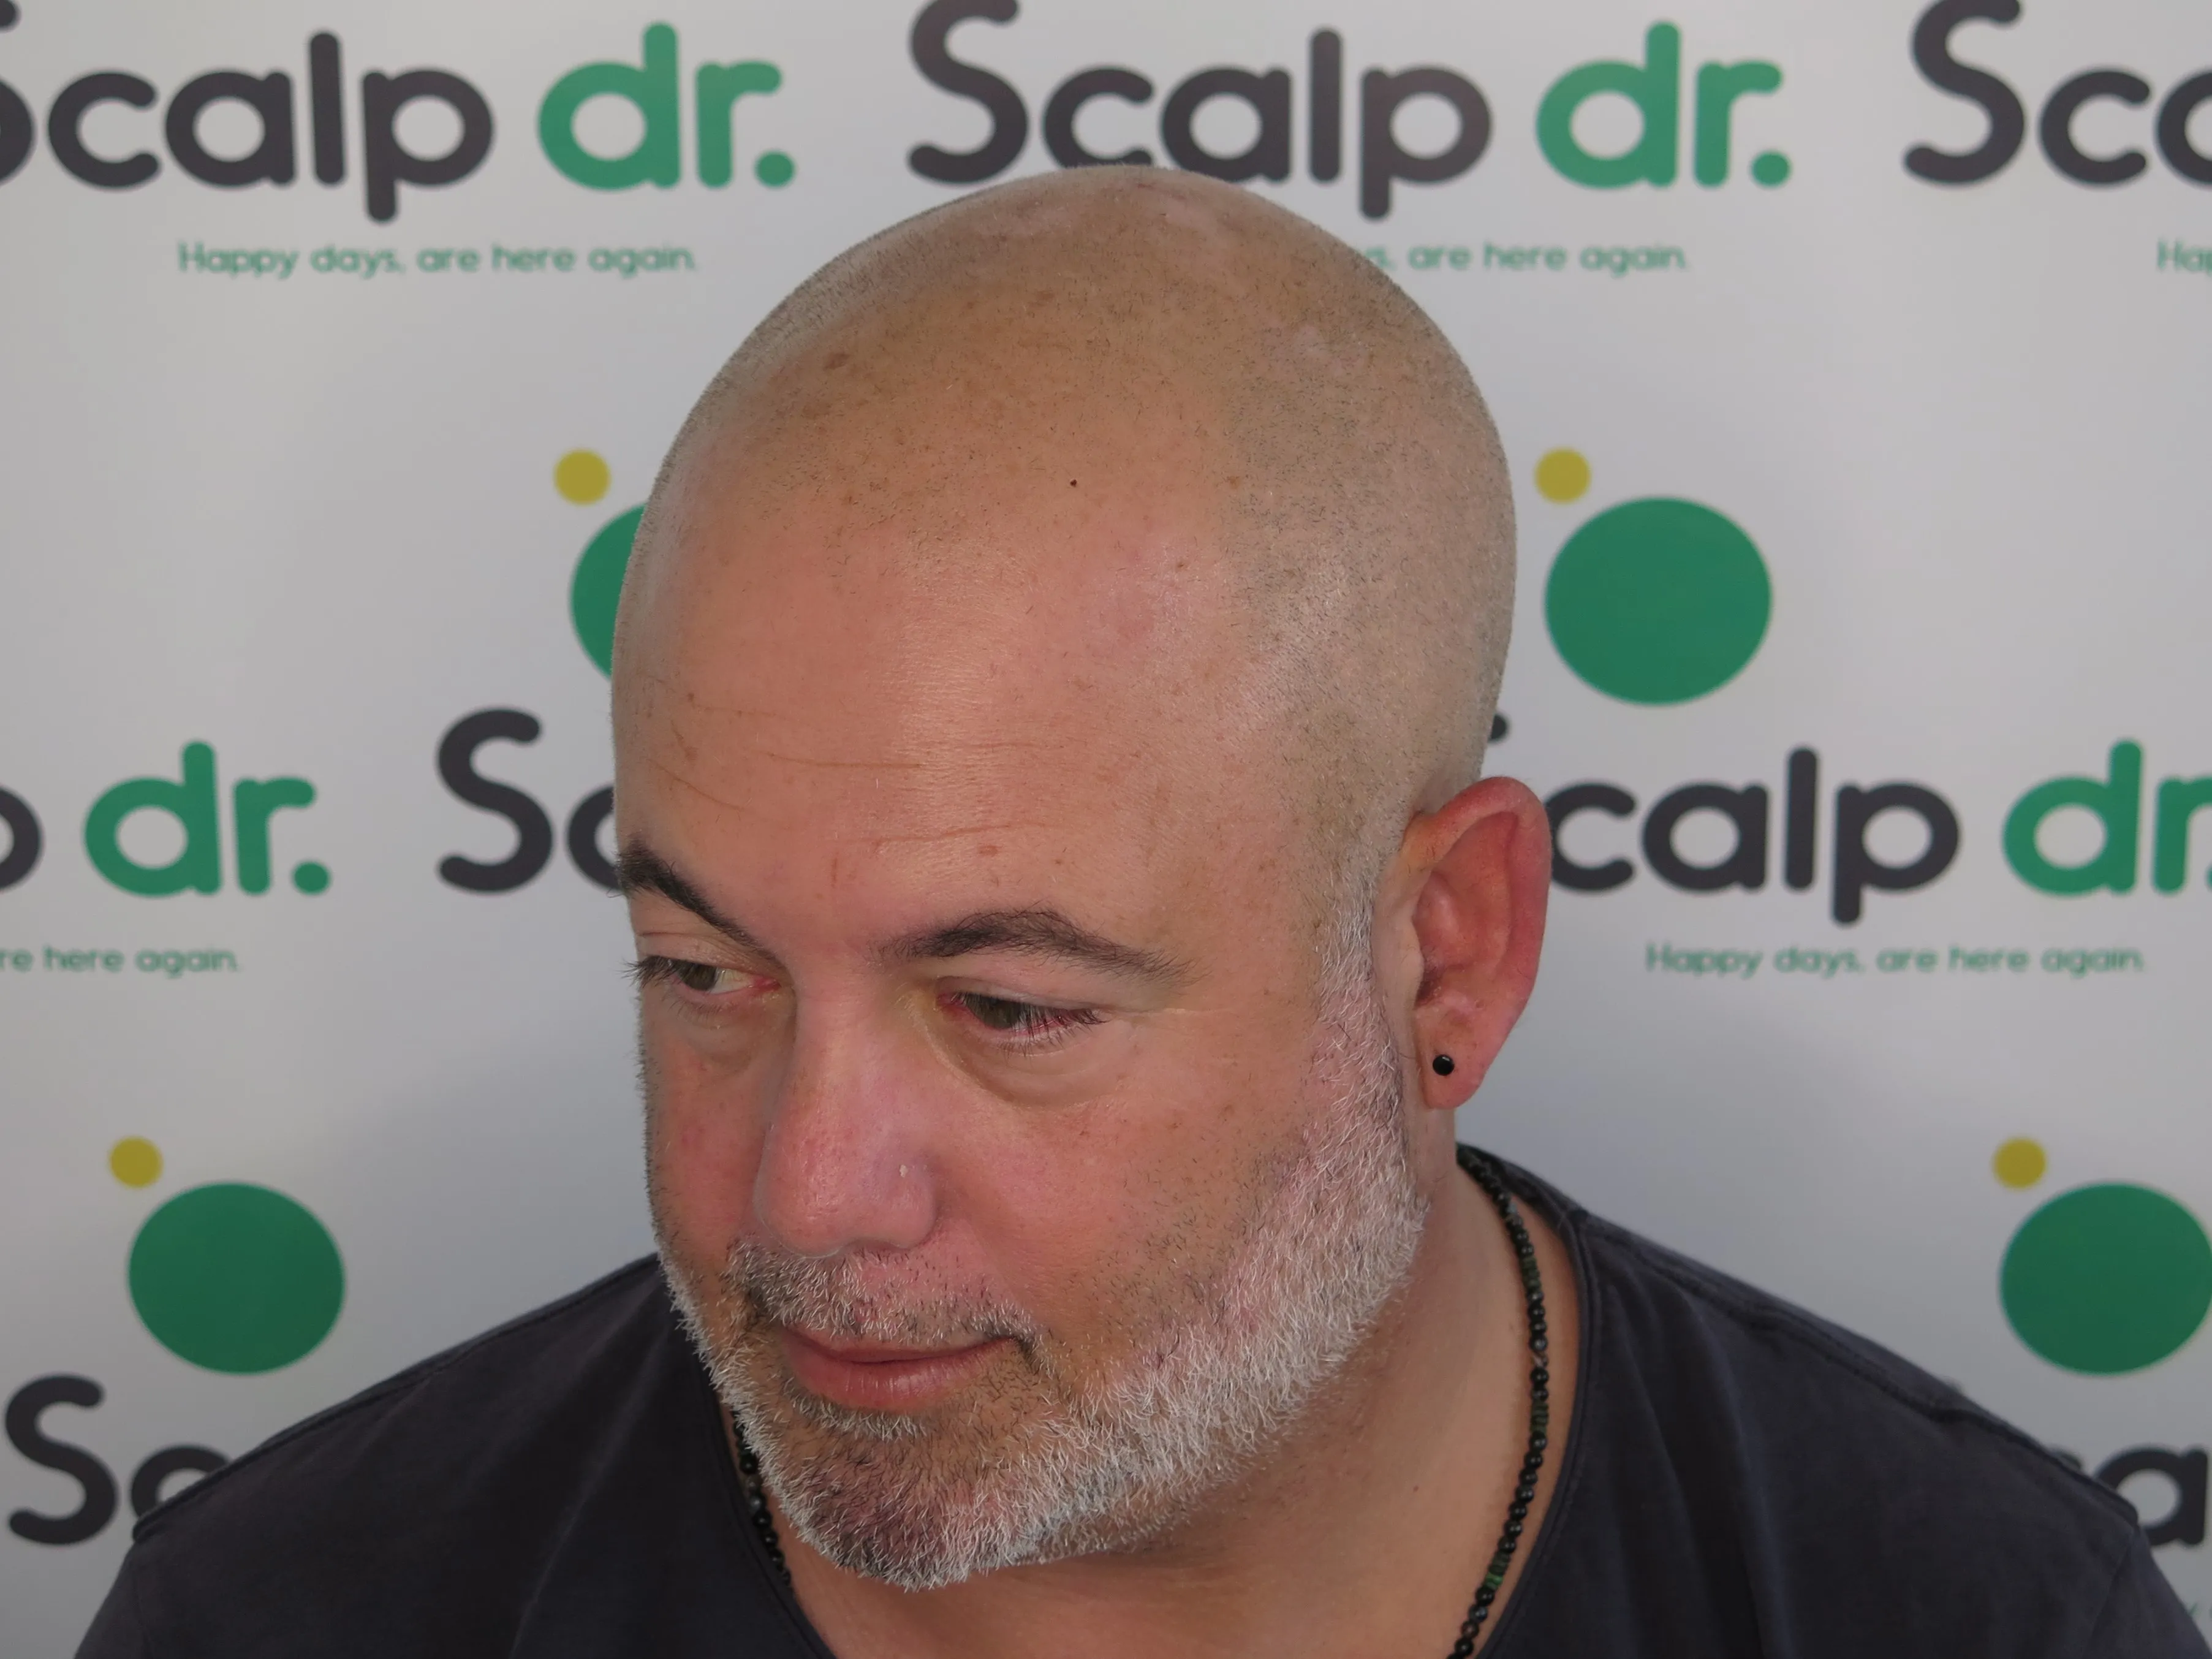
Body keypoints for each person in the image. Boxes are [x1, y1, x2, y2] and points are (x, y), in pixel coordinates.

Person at [80, 169, 2200, 1659]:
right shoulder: (299, 1612)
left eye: (1007, 1008)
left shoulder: (1963, 1613)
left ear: (1448, 955)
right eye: (702, 973)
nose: (801, 1203)